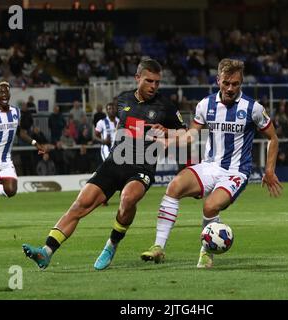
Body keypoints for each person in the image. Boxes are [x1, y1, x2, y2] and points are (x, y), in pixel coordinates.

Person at [22, 58, 186, 271]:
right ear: (137, 78)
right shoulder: (123, 100)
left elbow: (186, 134)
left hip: (141, 167)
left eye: (157, 82)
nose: (154, 86)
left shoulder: (166, 106)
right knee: (80, 204)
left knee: (128, 199)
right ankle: (46, 251)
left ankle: (111, 244)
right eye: (149, 81)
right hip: (114, 163)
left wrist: (169, 133)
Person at [140, 58, 283, 268]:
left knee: (210, 206)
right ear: (218, 80)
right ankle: (158, 247)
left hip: (236, 171)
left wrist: (269, 170)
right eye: (226, 83)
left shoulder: (253, 108)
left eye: (235, 84)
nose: (230, 88)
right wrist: (167, 138)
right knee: (174, 187)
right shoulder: (205, 105)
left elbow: (273, 138)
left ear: (241, 83)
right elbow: (190, 136)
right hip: (209, 165)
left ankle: (206, 253)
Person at [0, 81, 46, 231]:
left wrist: (34, 142)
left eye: (6, 92)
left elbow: (19, 132)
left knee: (11, 191)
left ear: (10, 94)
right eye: (1, 92)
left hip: (6, 159)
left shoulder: (16, 112)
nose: (4, 95)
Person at [94, 102, 119, 206]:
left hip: (119, 151)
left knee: (118, 173)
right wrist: (103, 141)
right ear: (106, 111)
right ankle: (103, 197)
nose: (111, 110)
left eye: (113, 108)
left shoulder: (120, 121)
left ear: (116, 110)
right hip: (106, 150)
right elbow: (95, 136)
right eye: (109, 109)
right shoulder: (101, 122)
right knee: (109, 172)